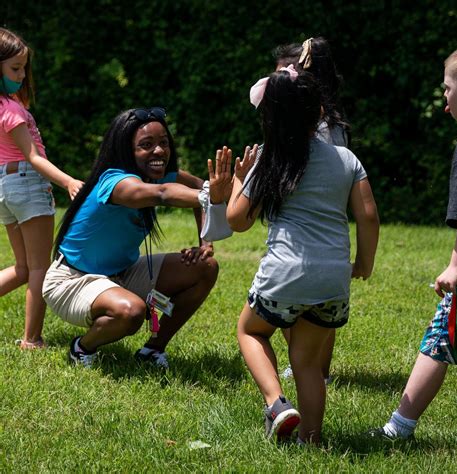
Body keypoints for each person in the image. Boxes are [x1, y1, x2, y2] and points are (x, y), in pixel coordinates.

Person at [228, 66, 379, 444]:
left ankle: (277, 404)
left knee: (250, 330)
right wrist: (363, 263)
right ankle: (311, 437)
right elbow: (369, 217)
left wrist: (236, 180)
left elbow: (237, 221)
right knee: (308, 362)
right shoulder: (346, 159)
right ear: (319, 112)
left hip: (284, 274)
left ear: (269, 116)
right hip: (332, 280)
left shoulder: (267, 157)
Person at [42, 107, 231, 368]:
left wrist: (206, 242)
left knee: (205, 267)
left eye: (164, 143)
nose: (159, 151)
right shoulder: (114, 181)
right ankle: (82, 348)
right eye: (147, 145)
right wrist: (211, 195)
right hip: (72, 279)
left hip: (122, 273)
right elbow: (163, 193)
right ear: (126, 150)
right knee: (131, 311)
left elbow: (199, 187)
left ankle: (152, 351)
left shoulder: (159, 175)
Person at [369, 44, 457, 441]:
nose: (444, 98)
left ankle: (400, 426)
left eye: (447, 88)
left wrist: (455, 266)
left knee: (439, 339)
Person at [273, 36, 351, 381]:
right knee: (318, 304)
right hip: (323, 232)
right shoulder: (324, 121)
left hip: (309, 229)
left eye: (285, 76)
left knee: (291, 303)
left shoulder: (319, 128)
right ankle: (316, 369)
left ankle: (313, 368)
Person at [0, 27, 83, 350]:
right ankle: (32, 339)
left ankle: (32, 335)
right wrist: (67, 181)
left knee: (22, 268)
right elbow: (32, 156)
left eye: (24, 68)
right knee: (38, 267)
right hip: (25, 184)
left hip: (5, 188)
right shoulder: (13, 111)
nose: (21, 76)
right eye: (15, 69)